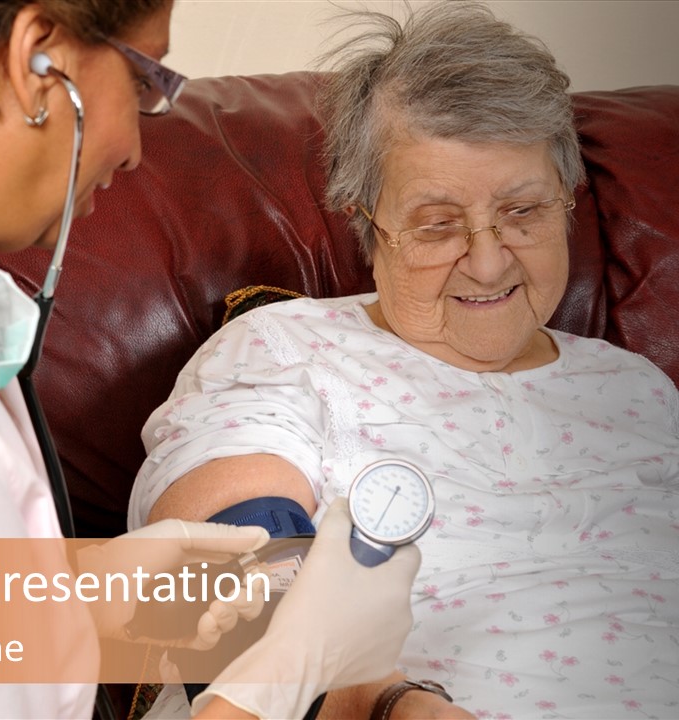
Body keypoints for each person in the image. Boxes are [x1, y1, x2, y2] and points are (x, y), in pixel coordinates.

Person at [0, 1, 424, 718]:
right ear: (37, 59)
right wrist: (282, 670)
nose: (136, 149)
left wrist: (100, 595)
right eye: (144, 81)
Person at [130, 2, 679, 719]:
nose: (486, 263)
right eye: (437, 225)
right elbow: (217, 586)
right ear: (366, 226)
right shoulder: (285, 350)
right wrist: (388, 705)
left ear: (568, 202)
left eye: (523, 213)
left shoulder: (637, 389)